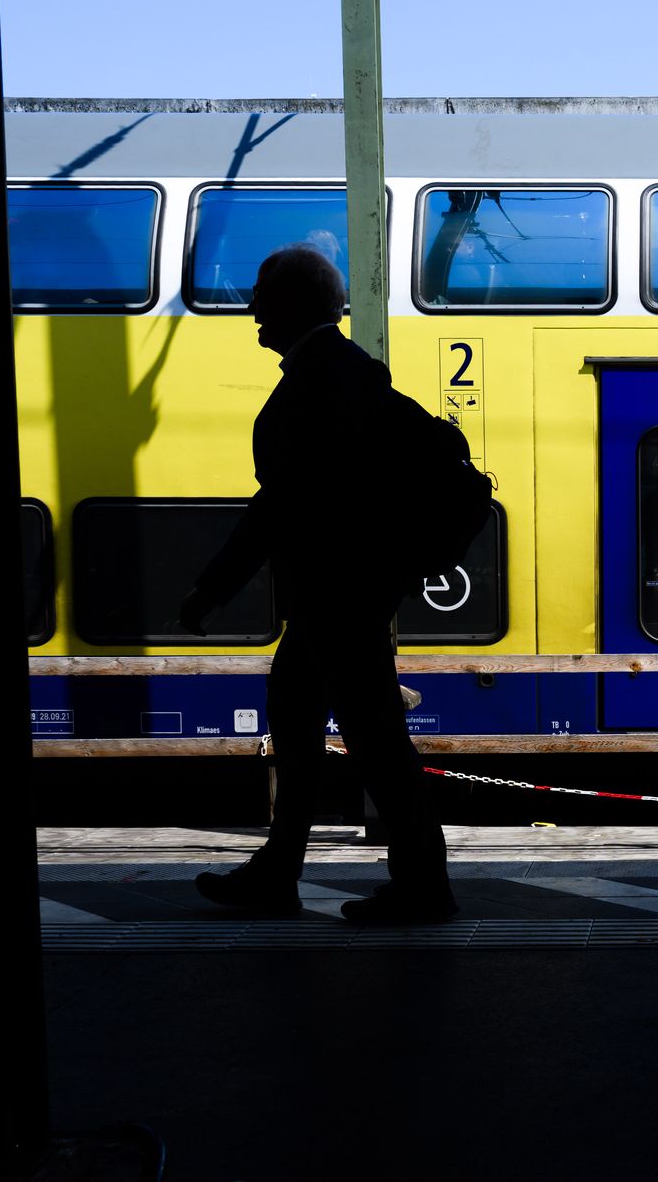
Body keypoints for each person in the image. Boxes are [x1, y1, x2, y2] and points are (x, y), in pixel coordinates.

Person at [181, 244, 457, 925]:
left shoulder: (320, 382)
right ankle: (286, 871)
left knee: (373, 741)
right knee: (310, 726)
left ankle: (420, 885)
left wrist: (211, 590)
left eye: (261, 298)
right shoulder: (343, 373)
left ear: (292, 306)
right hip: (340, 598)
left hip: (339, 598)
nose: (251, 310)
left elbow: (279, 505)